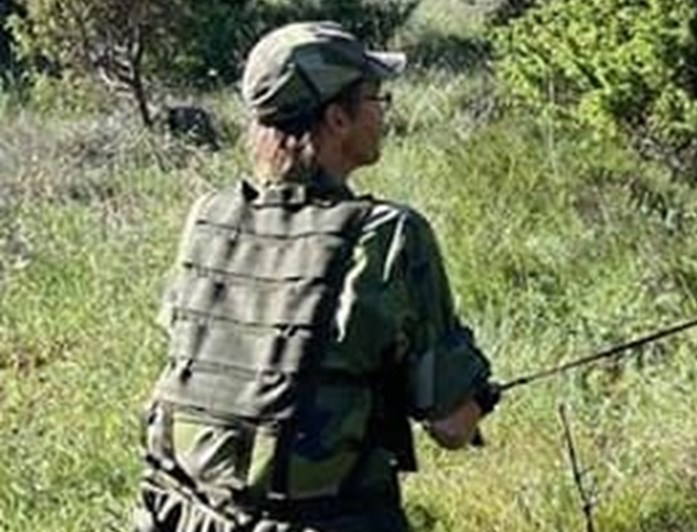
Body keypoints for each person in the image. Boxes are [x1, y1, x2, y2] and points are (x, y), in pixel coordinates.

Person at [132, 21, 499, 532]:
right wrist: (480, 394)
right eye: (375, 97)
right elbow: (452, 426)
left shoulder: (208, 217)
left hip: (186, 514)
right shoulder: (390, 235)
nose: (382, 112)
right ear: (337, 119)